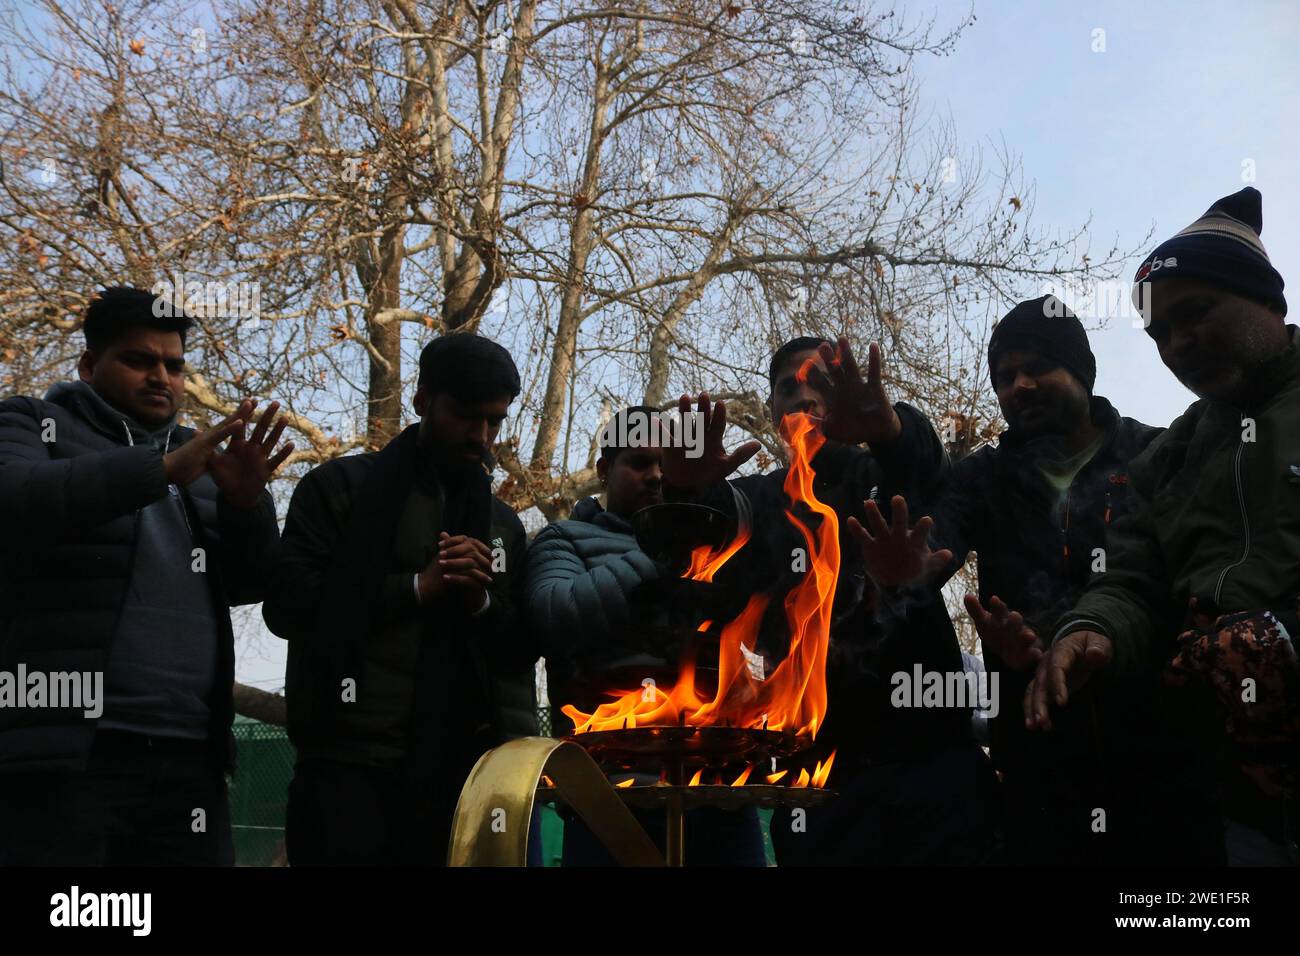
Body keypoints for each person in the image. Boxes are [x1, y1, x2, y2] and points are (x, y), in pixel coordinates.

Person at [1034, 187, 1299, 866]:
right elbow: (1132, 580)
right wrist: (1091, 631)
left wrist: (1284, 639)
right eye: (1158, 335)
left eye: (1196, 314)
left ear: (1271, 301)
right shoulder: (1165, 461)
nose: (1179, 345)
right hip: (1245, 804)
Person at [664, 336, 996, 865]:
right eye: (785, 389)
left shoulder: (883, 473)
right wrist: (683, 498)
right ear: (772, 410)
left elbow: (932, 474)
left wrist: (889, 429)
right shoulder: (751, 503)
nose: (802, 398)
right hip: (819, 778)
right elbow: (685, 576)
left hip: (933, 758)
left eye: (818, 384)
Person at [926, 295, 1220, 864]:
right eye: (1005, 376)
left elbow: (1189, 582)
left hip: (1162, 757)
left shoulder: (1158, 452)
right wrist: (905, 571)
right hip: (1036, 762)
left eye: (1037, 367)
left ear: (1083, 372)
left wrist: (1081, 632)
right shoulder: (980, 477)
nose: (1021, 386)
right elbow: (931, 548)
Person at [0, 285, 288, 865]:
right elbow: (14, 500)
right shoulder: (30, 423)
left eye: (175, 365)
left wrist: (246, 504)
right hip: (69, 755)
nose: (162, 376)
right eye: (139, 360)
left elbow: (256, 585)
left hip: (189, 759)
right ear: (88, 364)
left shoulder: (202, 458)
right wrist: (156, 471)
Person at [264, 333, 531, 866]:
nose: (481, 436)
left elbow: (519, 647)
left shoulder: (502, 525)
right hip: (345, 767)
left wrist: (478, 601)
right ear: (422, 401)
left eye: (495, 421)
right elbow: (288, 606)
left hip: (459, 780)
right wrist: (417, 588)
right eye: (467, 416)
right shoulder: (337, 489)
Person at [525, 406, 766, 865]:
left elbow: (767, 624)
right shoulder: (565, 540)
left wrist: (705, 498)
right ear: (602, 470)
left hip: (723, 798)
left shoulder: (712, 545)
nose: (656, 477)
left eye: (666, 467)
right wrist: (659, 553)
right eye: (639, 463)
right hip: (611, 799)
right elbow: (552, 615)